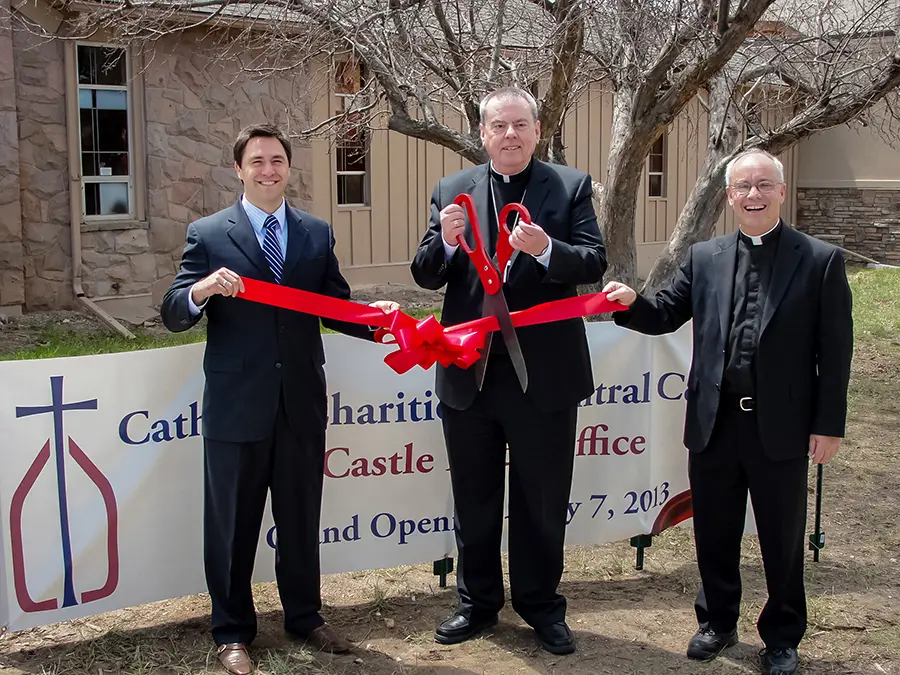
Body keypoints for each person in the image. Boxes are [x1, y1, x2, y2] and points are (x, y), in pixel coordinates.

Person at [604, 148, 853, 675]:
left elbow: (835, 353)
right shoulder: (705, 257)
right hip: (715, 423)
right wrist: (629, 302)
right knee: (713, 529)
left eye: (764, 185)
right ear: (729, 196)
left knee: (781, 538)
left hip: (781, 428)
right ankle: (717, 622)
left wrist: (829, 426)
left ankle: (782, 636)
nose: (754, 195)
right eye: (743, 186)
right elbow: (664, 314)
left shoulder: (820, 259)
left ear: (781, 192)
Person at [161, 124, 397, 675]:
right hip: (237, 404)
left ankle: (304, 616)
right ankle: (232, 631)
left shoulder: (314, 233)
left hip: (299, 402)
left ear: (289, 168)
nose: (269, 170)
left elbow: (335, 305)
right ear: (239, 169)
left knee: (298, 517)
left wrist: (385, 323)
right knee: (232, 525)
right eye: (257, 161)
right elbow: (172, 310)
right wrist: (201, 290)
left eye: (277, 160)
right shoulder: (208, 233)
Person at [410, 87, 607, 655]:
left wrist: (548, 249)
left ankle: (541, 605)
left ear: (537, 130)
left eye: (521, 124)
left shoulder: (569, 187)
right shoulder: (452, 190)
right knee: (473, 495)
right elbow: (426, 274)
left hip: (541, 375)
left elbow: (595, 261)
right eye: (499, 125)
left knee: (541, 497)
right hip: (469, 373)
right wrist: (445, 244)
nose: (511, 135)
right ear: (484, 132)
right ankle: (477, 603)